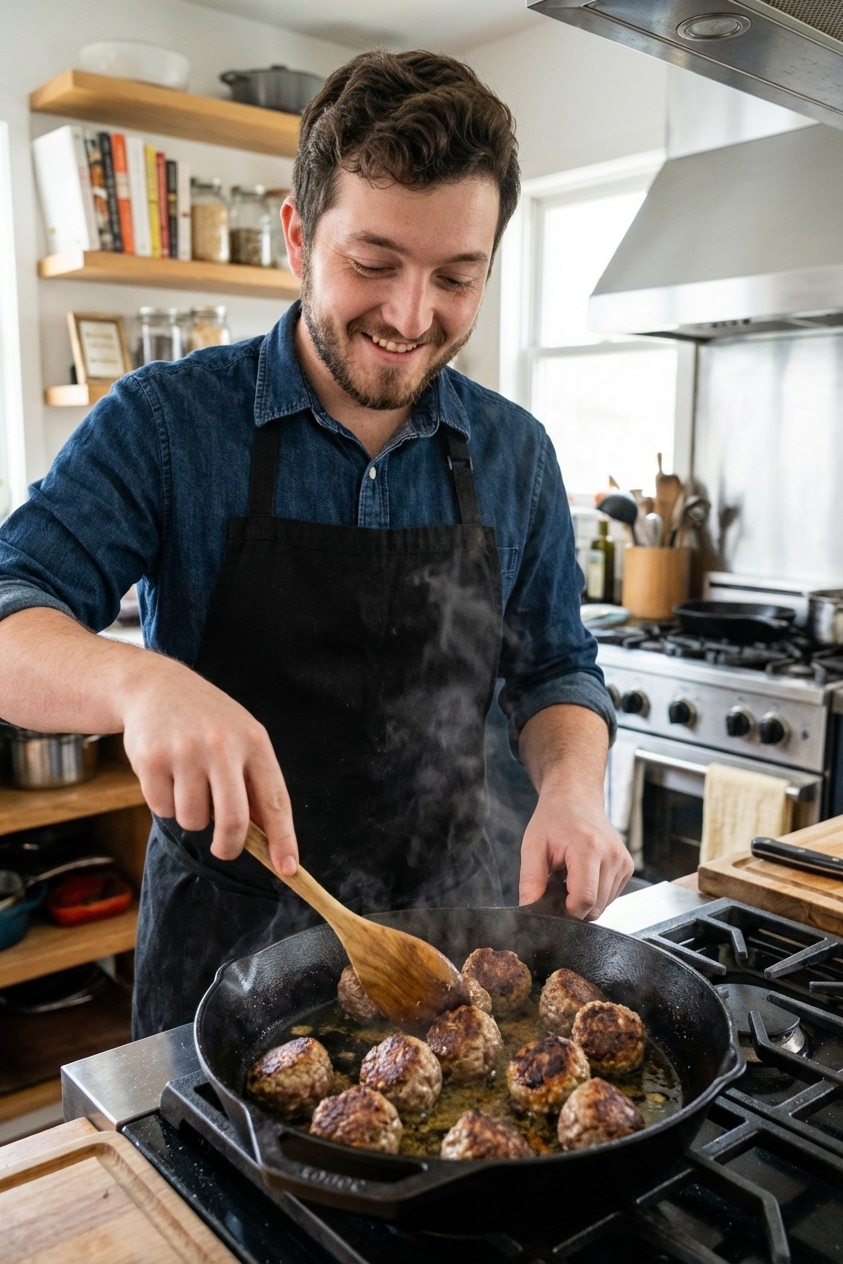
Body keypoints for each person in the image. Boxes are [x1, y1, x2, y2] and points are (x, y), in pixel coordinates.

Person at [0, 51, 631, 1036]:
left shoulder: (515, 451)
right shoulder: (167, 425)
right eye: (373, 264)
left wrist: (573, 788)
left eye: (456, 278)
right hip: (227, 952)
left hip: (458, 948)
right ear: (299, 236)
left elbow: (556, 669)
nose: (411, 316)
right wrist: (137, 685)